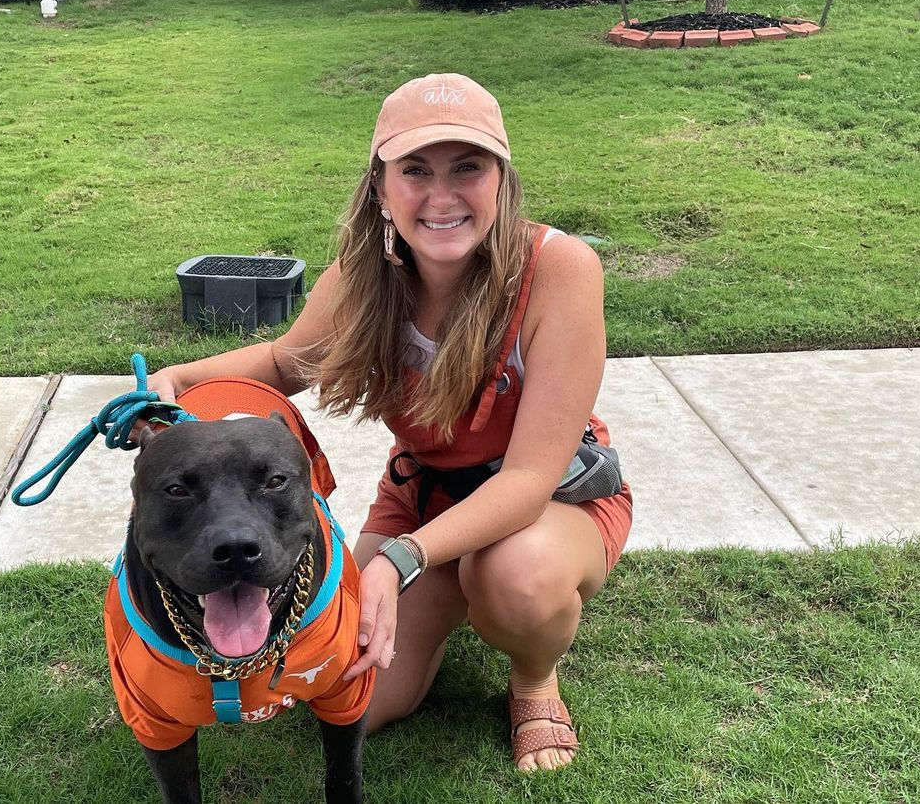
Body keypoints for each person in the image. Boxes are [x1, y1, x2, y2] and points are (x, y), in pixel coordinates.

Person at [144, 73, 633, 772]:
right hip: (425, 493)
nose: (442, 196)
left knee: (516, 578)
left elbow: (528, 477)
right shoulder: (366, 270)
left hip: (547, 499)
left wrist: (399, 561)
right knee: (354, 694)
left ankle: (533, 681)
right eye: (415, 171)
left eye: (468, 167)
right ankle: (455, 586)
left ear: (502, 178)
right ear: (380, 187)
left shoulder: (560, 269)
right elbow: (288, 363)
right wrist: (181, 380)